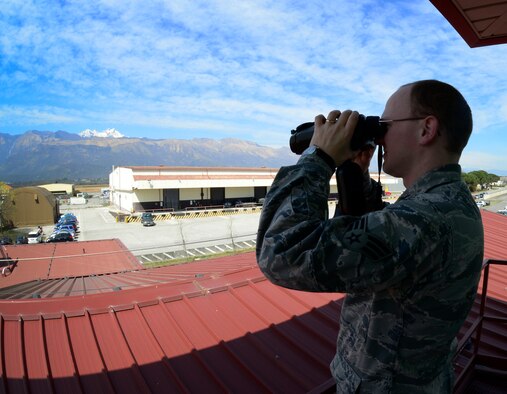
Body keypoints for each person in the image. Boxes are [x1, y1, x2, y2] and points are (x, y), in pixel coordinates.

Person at [256, 80, 484, 393]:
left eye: (386, 124)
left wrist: (318, 157)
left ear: (426, 129)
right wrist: (354, 175)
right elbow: (378, 235)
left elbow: (283, 253)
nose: (379, 134)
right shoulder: (446, 203)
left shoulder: (426, 219)